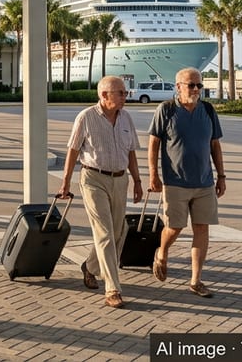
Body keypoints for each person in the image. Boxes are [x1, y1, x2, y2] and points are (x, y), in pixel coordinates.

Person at [57, 76, 144, 309]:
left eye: (125, 93)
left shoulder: (126, 117)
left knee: (117, 232)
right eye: (120, 93)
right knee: (104, 233)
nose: (125, 97)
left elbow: (132, 152)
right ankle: (113, 288)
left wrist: (137, 180)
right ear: (104, 95)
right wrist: (65, 182)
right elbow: (73, 151)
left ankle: (90, 267)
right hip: (93, 178)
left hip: (120, 179)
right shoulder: (86, 117)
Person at [148, 67, 226, 299]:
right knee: (175, 227)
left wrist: (221, 176)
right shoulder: (167, 110)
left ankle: (196, 280)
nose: (195, 90)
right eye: (191, 85)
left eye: (199, 86)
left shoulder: (208, 110)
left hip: (204, 182)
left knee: (202, 228)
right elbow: (153, 143)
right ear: (178, 86)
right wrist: (153, 174)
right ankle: (161, 253)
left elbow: (215, 145)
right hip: (175, 182)